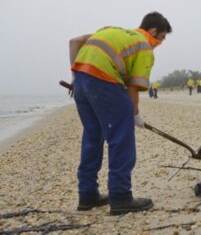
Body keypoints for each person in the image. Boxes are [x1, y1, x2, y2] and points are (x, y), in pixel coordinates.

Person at [69, 12, 172, 215]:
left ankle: (87, 195)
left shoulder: (112, 30)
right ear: (153, 31)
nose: (160, 43)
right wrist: (133, 115)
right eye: (161, 38)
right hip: (103, 81)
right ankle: (121, 196)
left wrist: (75, 76)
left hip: (81, 82)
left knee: (93, 136)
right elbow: (133, 89)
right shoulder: (143, 46)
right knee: (121, 138)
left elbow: (75, 41)